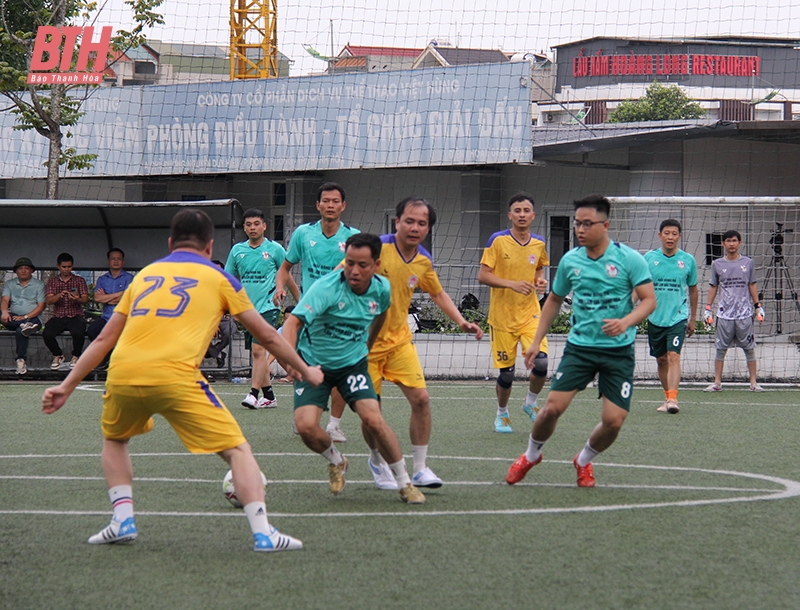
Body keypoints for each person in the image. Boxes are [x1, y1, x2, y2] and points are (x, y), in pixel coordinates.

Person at [41, 208, 323, 552]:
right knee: (237, 451)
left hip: (124, 373)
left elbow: (103, 340)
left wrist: (66, 385)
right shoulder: (220, 278)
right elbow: (266, 334)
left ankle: (122, 521)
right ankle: (263, 533)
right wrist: (306, 369)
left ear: (171, 243)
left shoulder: (145, 275)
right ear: (210, 247)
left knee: (115, 440)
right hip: (176, 375)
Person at [506, 194, 655, 488]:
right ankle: (531, 454)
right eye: (577, 224)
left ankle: (584, 460)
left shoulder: (629, 259)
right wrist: (536, 341)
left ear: (605, 225)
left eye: (588, 224)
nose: (580, 229)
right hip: (580, 349)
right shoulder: (570, 261)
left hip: (618, 352)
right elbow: (553, 300)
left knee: (614, 421)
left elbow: (649, 300)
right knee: (551, 408)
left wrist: (625, 321)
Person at [281, 233, 426, 504]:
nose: (354, 271)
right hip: (314, 365)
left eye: (362, 265)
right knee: (306, 427)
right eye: (349, 263)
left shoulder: (382, 289)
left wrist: (369, 343)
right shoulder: (326, 288)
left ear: (376, 265)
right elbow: (292, 324)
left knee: (373, 419)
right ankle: (337, 461)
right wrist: (293, 363)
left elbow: (382, 313)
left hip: (353, 364)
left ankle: (405, 483)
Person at [366, 197, 483, 491]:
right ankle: (377, 462)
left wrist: (462, 321)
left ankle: (419, 468)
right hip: (363, 345)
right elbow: (344, 276)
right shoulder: (375, 250)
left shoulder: (423, 261)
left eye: (422, 223)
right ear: (396, 222)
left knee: (421, 400)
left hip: (399, 342)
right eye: (409, 221)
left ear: (428, 228)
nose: (415, 227)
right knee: (372, 413)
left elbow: (438, 293)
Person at [274, 182, 360, 442]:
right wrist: (280, 287)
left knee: (340, 370)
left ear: (343, 206)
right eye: (326, 201)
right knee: (305, 367)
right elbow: (285, 267)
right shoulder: (303, 234)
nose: (330, 205)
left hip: (342, 312)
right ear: (318, 205)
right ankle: (304, 414)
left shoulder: (353, 237)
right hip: (310, 314)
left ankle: (333, 424)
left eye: (335, 201)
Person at [478, 192, 550, 434]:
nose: (522, 214)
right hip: (502, 318)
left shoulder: (539, 243)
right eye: (517, 211)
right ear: (510, 215)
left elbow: (539, 270)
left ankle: (530, 403)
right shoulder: (497, 240)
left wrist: (540, 282)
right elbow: (483, 275)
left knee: (541, 363)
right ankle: (502, 414)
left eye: (526, 210)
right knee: (507, 375)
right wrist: (511, 284)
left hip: (531, 315)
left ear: (533, 215)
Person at [225, 208, 297, 409]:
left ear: (264, 226)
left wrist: (301, 299)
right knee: (257, 355)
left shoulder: (275, 249)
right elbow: (229, 281)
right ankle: (269, 396)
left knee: (258, 351)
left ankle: (253, 393)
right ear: (244, 228)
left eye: (256, 223)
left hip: (269, 307)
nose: (252, 227)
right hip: (246, 310)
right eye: (248, 224)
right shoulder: (237, 251)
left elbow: (287, 275)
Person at [644, 219, 698, 413]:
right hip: (655, 317)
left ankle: (673, 399)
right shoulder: (649, 258)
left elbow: (693, 289)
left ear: (679, 236)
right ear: (660, 235)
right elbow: (640, 284)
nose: (670, 237)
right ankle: (667, 397)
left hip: (678, 316)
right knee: (661, 360)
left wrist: (692, 318)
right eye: (666, 233)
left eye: (674, 234)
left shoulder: (688, 260)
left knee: (674, 355)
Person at [703, 229, 765, 392]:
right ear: (723, 243)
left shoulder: (748, 263)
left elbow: (752, 284)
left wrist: (758, 306)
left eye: (734, 240)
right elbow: (713, 286)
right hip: (724, 314)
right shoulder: (717, 264)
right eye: (728, 241)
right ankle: (717, 382)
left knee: (749, 348)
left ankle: (753, 382)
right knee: (720, 349)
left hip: (744, 314)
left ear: (740, 243)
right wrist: (708, 309)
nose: (731, 244)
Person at [87, 248, 135, 369]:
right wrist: (118, 295)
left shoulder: (129, 278)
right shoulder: (102, 279)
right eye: (113, 259)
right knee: (92, 330)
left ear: (123, 262)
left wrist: (106, 297)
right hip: (107, 317)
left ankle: (120, 362)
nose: (116, 261)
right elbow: (97, 298)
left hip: (124, 317)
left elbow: (128, 298)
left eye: (119, 259)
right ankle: (106, 356)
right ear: (108, 261)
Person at [43, 252, 89, 370]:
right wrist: (59, 296)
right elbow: (48, 300)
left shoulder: (79, 280)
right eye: (64, 267)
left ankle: (76, 356)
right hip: (58, 315)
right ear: (58, 266)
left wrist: (76, 299)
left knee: (79, 333)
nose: (67, 269)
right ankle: (58, 354)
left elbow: (85, 299)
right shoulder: (52, 281)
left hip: (75, 314)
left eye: (69, 267)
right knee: (47, 333)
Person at [1, 257, 46, 375]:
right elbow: (5, 299)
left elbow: (41, 307)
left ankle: (21, 360)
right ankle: (23, 325)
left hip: (33, 318)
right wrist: (5, 311)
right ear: (16, 271)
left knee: (20, 331)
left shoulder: (39, 284)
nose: (23, 271)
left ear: (31, 270)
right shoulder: (10, 284)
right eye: (20, 268)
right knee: (3, 314)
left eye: (26, 268)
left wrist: (25, 317)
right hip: (15, 318)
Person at [205, 260, 232, 368]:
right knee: (200, 333)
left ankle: (215, 352)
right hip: (206, 319)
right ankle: (218, 354)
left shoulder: (227, 285)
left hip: (224, 318)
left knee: (229, 331)